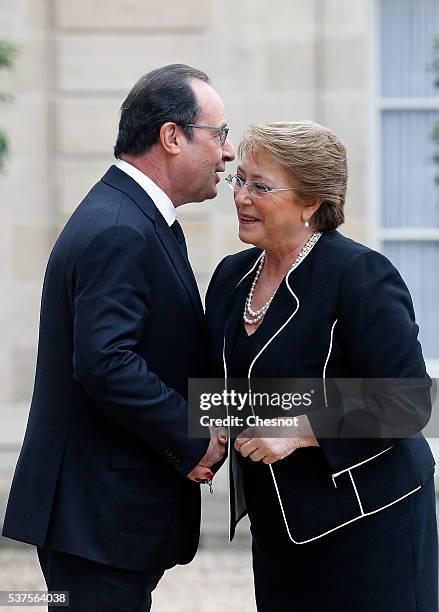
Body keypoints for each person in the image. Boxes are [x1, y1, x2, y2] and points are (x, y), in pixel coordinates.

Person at [2, 64, 234, 611]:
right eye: (219, 135)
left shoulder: (134, 217)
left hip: (106, 515)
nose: (227, 154)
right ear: (172, 137)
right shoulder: (119, 228)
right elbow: (106, 362)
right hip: (99, 516)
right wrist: (191, 437)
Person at [205, 121, 438, 611]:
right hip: (279, 525)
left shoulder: (359, 275)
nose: (242, 196)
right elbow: (229, 386)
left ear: (311, 202)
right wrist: (196, 437)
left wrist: (298, 429)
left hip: (372, 520)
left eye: (260, 186)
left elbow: (409, 400)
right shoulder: (230, 277)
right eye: (239, 180)